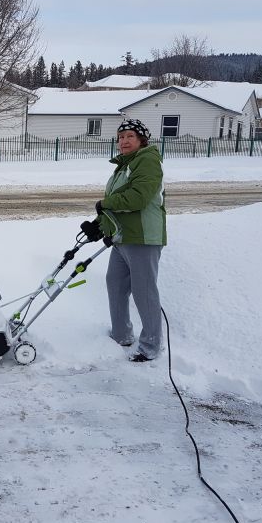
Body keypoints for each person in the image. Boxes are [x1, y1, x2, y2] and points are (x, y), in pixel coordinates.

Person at [96, 118, 166, 362]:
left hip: (144, 237)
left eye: (130, 137)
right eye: (121, 137)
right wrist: (99, 224)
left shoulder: (147, 160)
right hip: (122, 236)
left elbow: (137, 198)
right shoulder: (124, 165)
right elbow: (116, 202)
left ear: (141, 140)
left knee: (144, 291)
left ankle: (150, 346)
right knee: (115, 283)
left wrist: (105, 204)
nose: (124, 141)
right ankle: (121, 334)